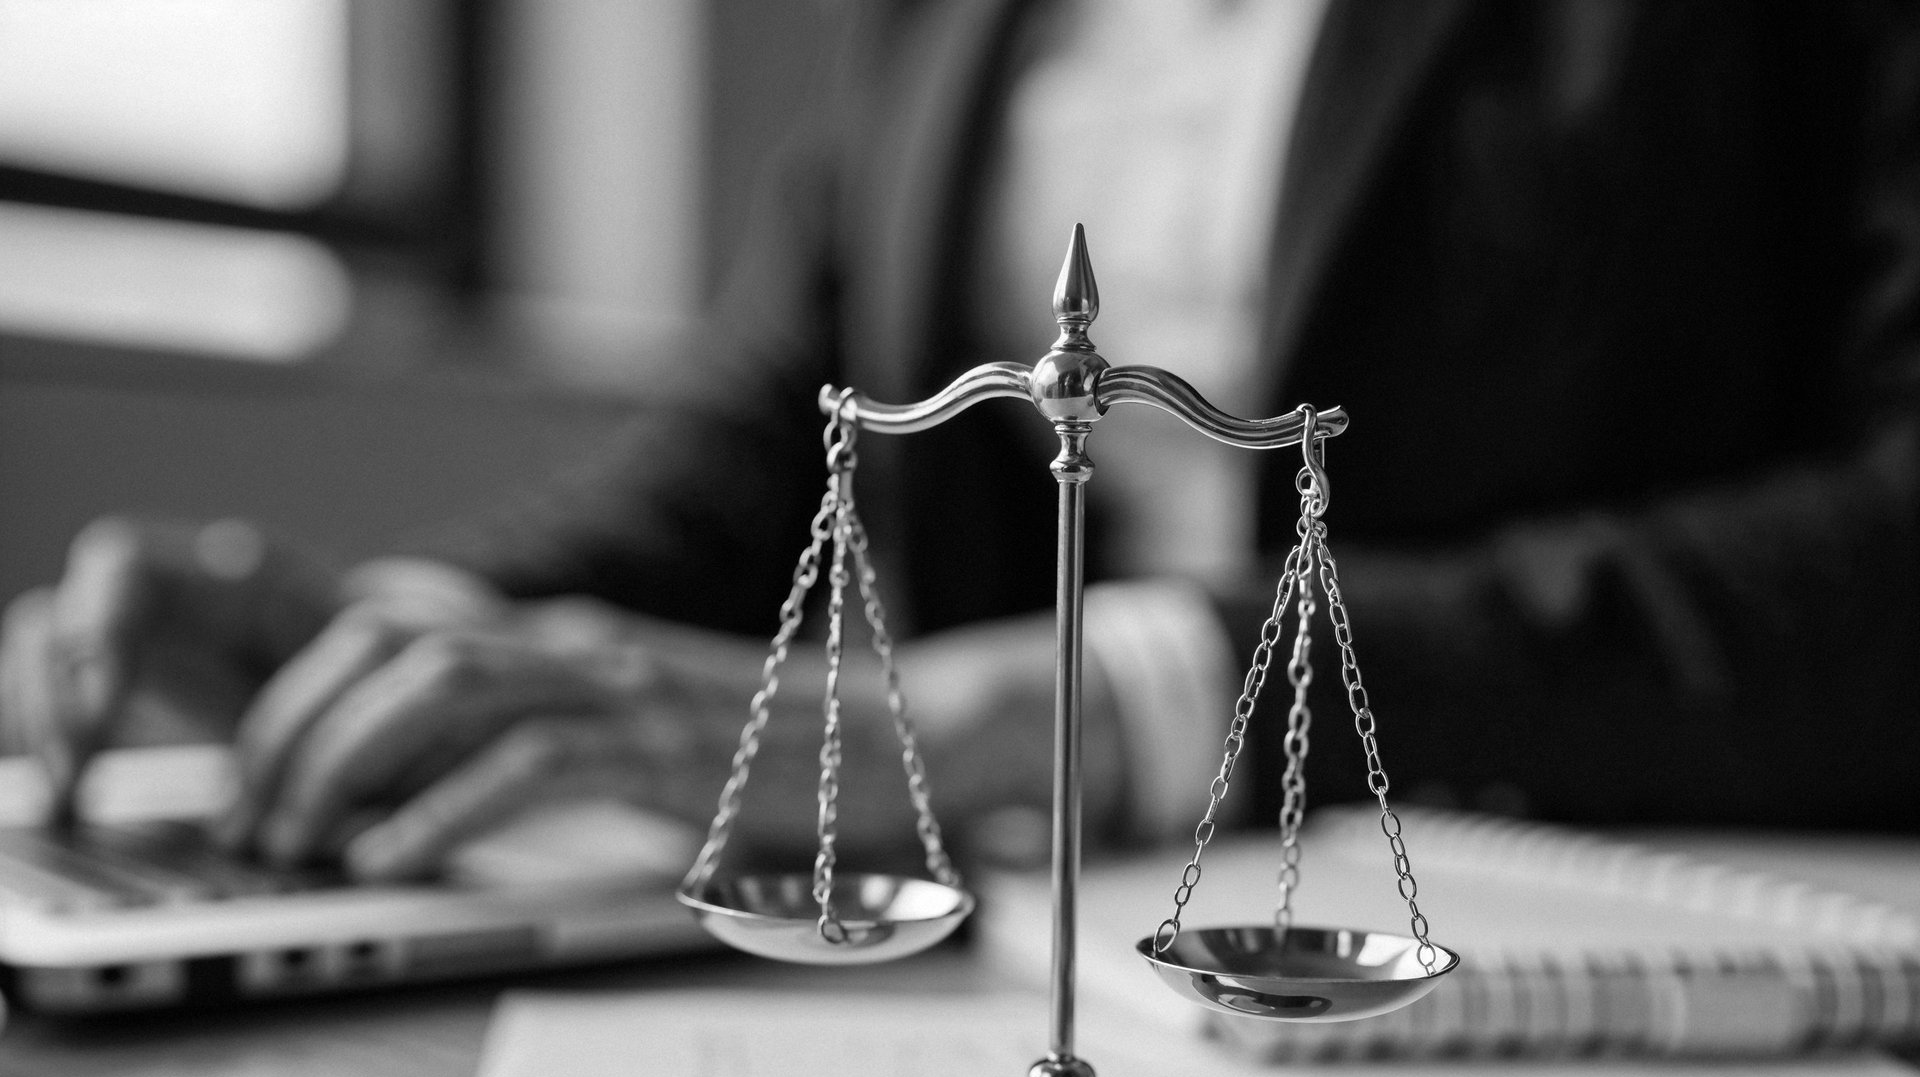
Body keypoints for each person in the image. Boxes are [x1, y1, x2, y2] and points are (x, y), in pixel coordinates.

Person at [4, 0, 1917, 886]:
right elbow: (767, 471)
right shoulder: (951, 28)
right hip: (1018, 938)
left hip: (1582, 881)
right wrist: (394, 629)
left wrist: (1037, 709)